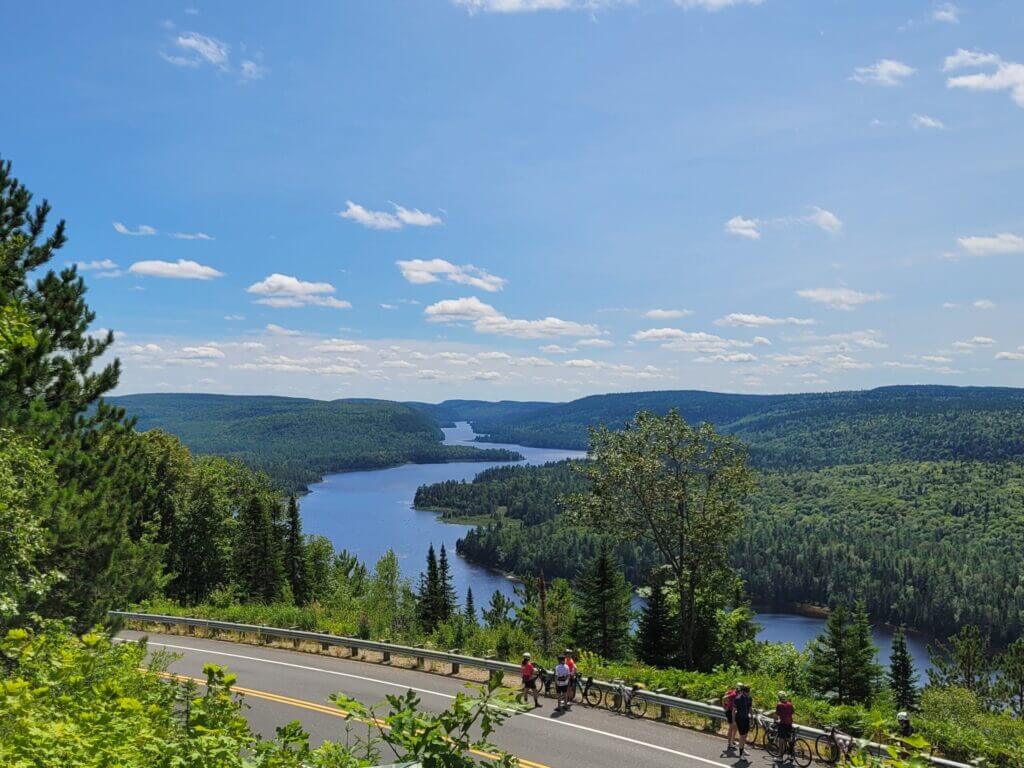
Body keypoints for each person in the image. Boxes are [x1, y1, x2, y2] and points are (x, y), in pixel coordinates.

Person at [733, 683, 753, 758]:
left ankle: (742, 748)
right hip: (740, 718)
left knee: (745, 735)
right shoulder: (738, 698)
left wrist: (752, 718)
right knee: (742, 736)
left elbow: (750, 708)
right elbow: (734, 710)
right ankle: (741, 754)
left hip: (746, 718)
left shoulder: (749, 698)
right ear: (744, 691)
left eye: (749, 691)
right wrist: (734, 720)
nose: (749, 692)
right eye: (748, 691)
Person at [722, 683, 739, 752]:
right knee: (732, 727)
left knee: (735, 727)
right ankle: (729, 743)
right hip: (730, 711)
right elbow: (724, 698)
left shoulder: (734, 692)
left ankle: (732, 741)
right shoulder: (734, 694)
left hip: (733, 712)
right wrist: (724, 706)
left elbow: (726, 693)